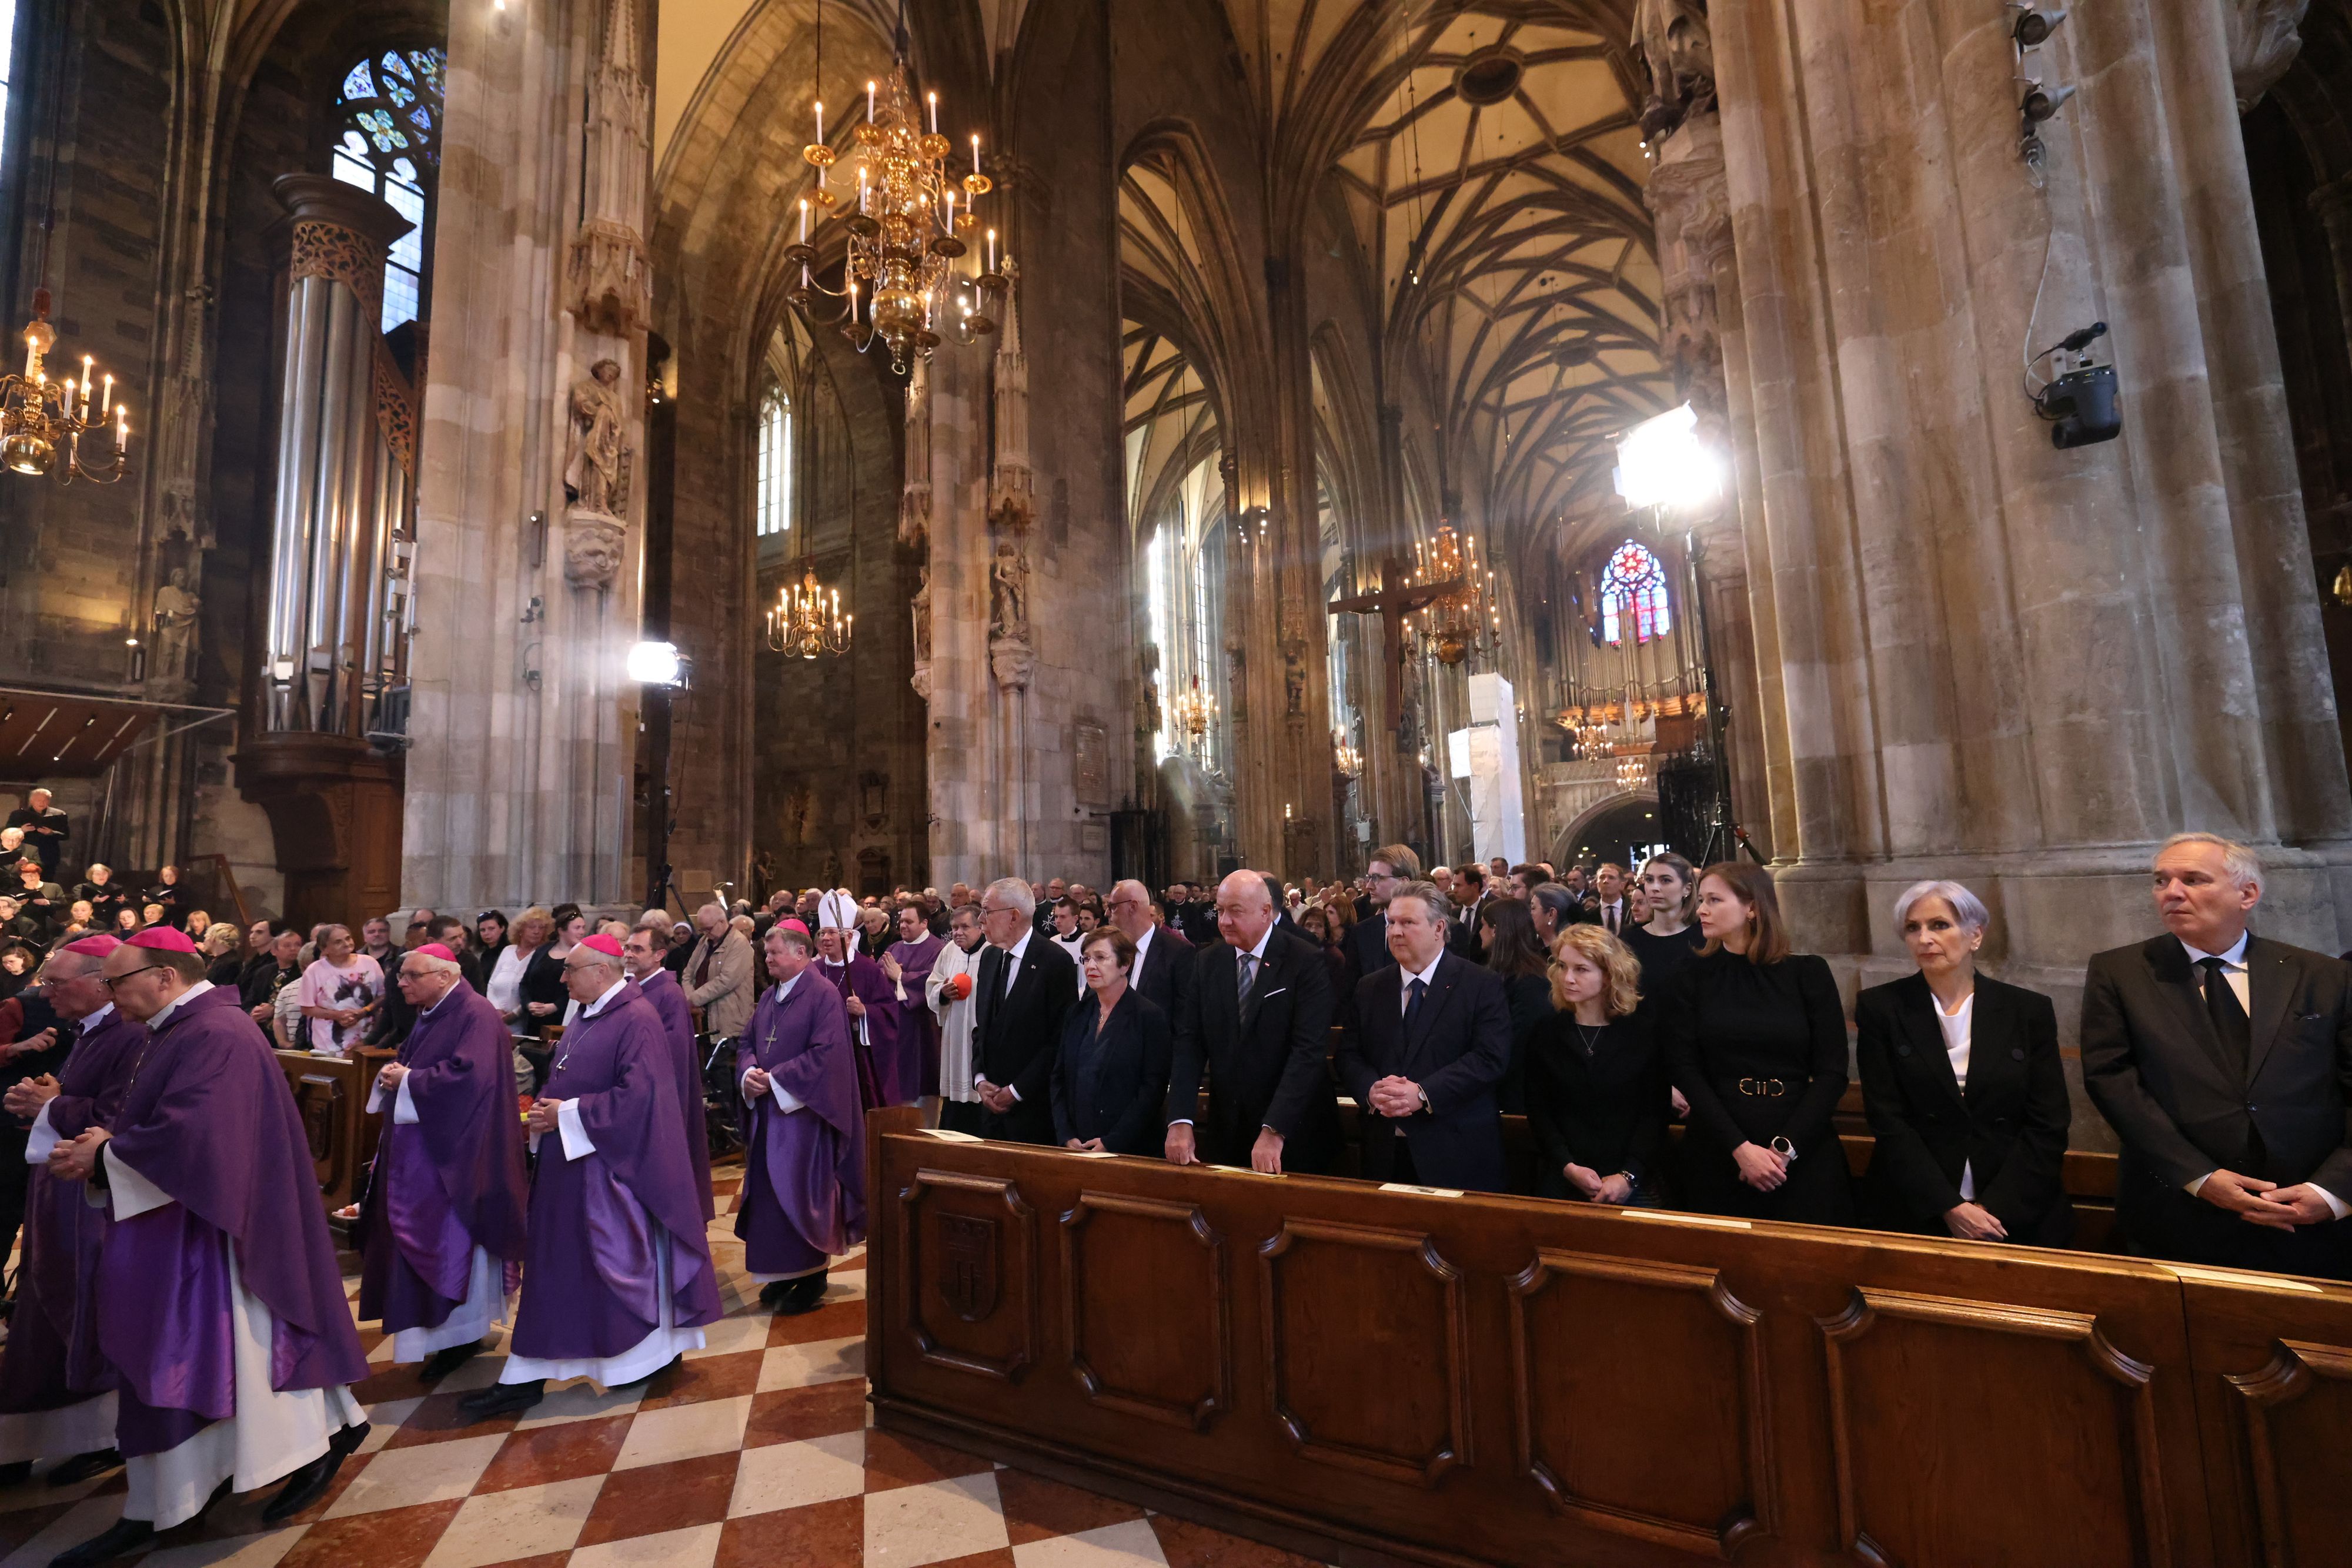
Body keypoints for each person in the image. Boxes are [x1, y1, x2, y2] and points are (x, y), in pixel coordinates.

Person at [59, 928, 369, 1560]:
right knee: (246, 1354)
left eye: (118, 982)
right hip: (192, 1218)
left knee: (241, 1348)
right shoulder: (180, 1029)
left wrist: (106, 1154)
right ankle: (201, 1483)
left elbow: (194, 1136)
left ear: (164, 977)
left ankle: (182, 1496)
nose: (112, 996)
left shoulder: (213, 1033)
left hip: (216, 1226)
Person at [461, 935, 721, 1417]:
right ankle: (533, 1370)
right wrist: (548, 1112)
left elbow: (640, 1098)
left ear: (601, 971)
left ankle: (610, 1361)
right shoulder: (587, 1013)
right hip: (572, 1165)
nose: (562, 977)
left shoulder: (637, 1018)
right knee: (563, 1266)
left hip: (610, 1173)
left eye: (571, 970)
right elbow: (568, 1073)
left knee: (604, 1265)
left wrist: (567, 1113)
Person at [2080, 833, 2352, 1276]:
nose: (2171, 892)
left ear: (2247, 893)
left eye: (2193, 879)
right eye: (2161, 881)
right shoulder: (2121, 973)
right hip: (2180, 1214)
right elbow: (2113, 1082)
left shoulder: (2323, 975)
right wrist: (2200, 1177)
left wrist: (2333, 1191)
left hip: (2308, 1219)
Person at [1856, 881, 2072, 1246]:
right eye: (1913, 928)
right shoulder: (1882, 1008)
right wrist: (1949, 1206)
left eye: (1940, 925)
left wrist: (1994, 1208)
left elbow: (2048, 1122)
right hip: (1917, 1206)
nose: (1924, 938)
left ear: (1976, 935)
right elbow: (1887, 1119)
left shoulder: (2027, 1010)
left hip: (2015, 1206)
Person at [0, 936, 139, 1489]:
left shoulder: (129, 1033)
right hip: (60, 1192)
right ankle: (40, 1437)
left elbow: (120, 1119)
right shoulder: (93, 1032)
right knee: (42, 1313)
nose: (45, 990)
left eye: (57, 981)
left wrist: (52, 1105)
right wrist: (42, 1101)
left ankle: (103, 1436)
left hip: (92, 1202)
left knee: (81, 1309)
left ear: (100, 980)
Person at [358, 946, 531, 1383]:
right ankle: (443, 1335)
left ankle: (461, 1333)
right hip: (425, 1153)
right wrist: (398, 1074)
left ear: (441, 975)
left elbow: (470, 1080)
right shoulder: (435, 1010)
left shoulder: (476, 1014)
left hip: (457, 1160)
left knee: (452, 1241)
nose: (401, 982)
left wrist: (409, 1079)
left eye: (410, 974)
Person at [1661, 862, 1855, 1225]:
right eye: (1701, 899)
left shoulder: (1807, 973)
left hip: (1799, 1141)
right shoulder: (1692, 975)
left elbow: (1831, 1072)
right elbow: (1684, 1067)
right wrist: (1740, 1149)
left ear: (1752, 907)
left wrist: (1785, 1149)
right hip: (1719, 1141)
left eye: (1714, 900)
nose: (1701, 909)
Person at [1338, 879, 1514, 1191]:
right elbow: (1350, 1054)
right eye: (1391, 923)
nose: (1395, 932)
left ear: (1438, 929)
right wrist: (1371, 1091)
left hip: (1455, 1149)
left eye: (1408, 923)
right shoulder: (1370, 987)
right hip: (1386, 1150)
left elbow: (1489, 1058)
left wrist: (1423, 1093)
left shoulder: (1479, 984)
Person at [1165, 871, 1340, 1175]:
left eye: (1235, 911)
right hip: (1229, 1126)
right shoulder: (1208, 961)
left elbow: (1308, 1051)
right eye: (1220, 911)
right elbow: (1189, 1042)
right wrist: (1180, 1119)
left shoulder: (1305, 959)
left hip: (1293, 1131)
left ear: (1266, 912)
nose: (1224, 921)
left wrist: (1275, 1130)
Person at [734, 921, 867, 1315]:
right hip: (769, 1115)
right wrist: (748, 1073)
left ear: (801, 953)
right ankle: (783, 1273)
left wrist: (774, 1081)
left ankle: (812, 1277)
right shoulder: (769, 995)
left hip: (805, 1117)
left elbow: (828, 1055)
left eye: (775, 953)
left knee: (802, 1195)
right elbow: (747, 1041)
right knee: (770, 1197)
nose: (768, 959)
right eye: (768, 953)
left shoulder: (823, 995)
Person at [1523, 924, 1671, 1204]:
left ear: (1608, 976)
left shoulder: (1643, 1033)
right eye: (1563, 967)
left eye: (1581, 969)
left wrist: (1628, 1175)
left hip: (1632, 1177)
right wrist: (1568, 1167)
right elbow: (1539, 1111)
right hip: (1564, 1174)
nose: (1568, 978)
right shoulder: (1546, 1032)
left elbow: (1654, 1113)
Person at [972, 878, 1080, 1145]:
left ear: (1014, 917)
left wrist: (1017, 1091)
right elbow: (982, 1029)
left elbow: (1059, 1040)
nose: (980, 920)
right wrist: (980, 1079)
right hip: (990, 1111)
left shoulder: (1055, 962)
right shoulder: (989, 957)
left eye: (987, 911)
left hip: (1034, 1113)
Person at [1053, 928, 1173, 1156]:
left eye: (1100, 958)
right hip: (1077, 1144)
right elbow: (1059, 1077)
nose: (1090, 966)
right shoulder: (1077, 1013)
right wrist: (1066, 1134)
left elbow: (1152, 1089)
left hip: (1129, 1148)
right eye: (1086, 958)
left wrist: (1113, 1141)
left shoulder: (1149, 1016)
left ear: (1125, 964)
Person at [624, 922, 714, 1221]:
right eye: (627, 948)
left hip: (660, 1097)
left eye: (638, 949)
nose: (629, 954)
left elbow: (671, 1053)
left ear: (660, 954)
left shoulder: (669, 993)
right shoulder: (633, 988)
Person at [813, 897, 900, 1106]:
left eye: (832, 933)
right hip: (819, 1053)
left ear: (849, 936)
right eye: (823, 933)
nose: (825, 938)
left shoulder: (868, 969)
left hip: (855, 1053)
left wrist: (864, 1012)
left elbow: (890, 1011)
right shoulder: (813, 971)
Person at [1477, 895, 1555, 1114]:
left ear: (1495, 930)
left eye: (1483, 926)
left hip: (1519, 1096)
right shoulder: (1499, 974)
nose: (1479, 933)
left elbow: (1520, 1043)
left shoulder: (1530, 982)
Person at [926, 904, 988, 1134]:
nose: (958, 932)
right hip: (955, 1030)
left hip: (980, 1030)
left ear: (980, 927)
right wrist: (942, 993)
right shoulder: (949, 950)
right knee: (955, 1101)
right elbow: (933, 983)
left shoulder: (992, 950)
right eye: (954, 927)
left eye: (964, 927)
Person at [884, 903, 945, 1103]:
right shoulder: (894, 947)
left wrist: (900, 977)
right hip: (896, 1026)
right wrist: (890, 977)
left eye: (909, 922)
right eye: (901, 921)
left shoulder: (938, 949)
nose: (902, 926)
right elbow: (879, 977)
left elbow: (932, 981)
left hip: (923, 1027)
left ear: (924, 923)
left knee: (922, 1084)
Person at [1625, 851, 1707, 998]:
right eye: (1649, 880)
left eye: (1666, 880)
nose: (1654, 888)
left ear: (1687, 889)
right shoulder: (1629, 940)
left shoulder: (1705, 937)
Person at [683, 901, 756, 1063]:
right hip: (701, 1016)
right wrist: (690, 999)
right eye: (702, 929)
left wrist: (693, 999)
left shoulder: (739, 943)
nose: (705, 933)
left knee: (719, 1069)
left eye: (708, 929)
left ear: (722, 922)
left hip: (727, 1019)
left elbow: (726, 981)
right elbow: (688, 973)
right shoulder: (704, 942)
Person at [297, 924, 383, 1055]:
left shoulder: (369, 962)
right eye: (338, 942)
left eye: (348, 938)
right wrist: (338, 1015)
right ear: (324, 949)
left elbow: (383, 995)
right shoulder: (314, 970)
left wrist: (365, 1011)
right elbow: (306, 1007)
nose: (346, 943)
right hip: (328, 1039)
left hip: (367, 1034)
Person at [1345, 844, 1421, 978]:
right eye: (1369, 878)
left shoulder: (1437, 928)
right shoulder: (1362, 932)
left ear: (1403, 882)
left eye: (1377, 878)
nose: (1369, 886)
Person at [489, 907, 549, 1035]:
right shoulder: (508, 950)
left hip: (522, 1024)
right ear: (521, 929)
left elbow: (536, 992)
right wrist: (496, 1010)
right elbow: (492, 984)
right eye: (532, 927)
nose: (537, 931)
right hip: (495, 1020)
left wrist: (516, 1014)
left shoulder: (543, 954)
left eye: (541, 928)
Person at [241, 925, 304, 1029]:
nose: (293, 949)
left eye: (298, 945)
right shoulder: (264, 972)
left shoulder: (304, 972)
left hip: (291, 1026)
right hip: (261, 1026)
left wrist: (274, 1010)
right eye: (287, 946)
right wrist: (254, 1011)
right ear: (274, 951)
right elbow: (249, 1001)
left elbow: (301, 1004)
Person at [5, 789, 67, 875]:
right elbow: (6, 833)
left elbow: (66, 835)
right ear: (31, 801)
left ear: (49, 801)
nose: (42, 803)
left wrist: (52, 833)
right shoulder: (18, 815)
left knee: (47, 880)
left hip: (48, 855)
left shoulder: (59, 814)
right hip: (25, 854)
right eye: (39, 800)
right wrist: (21, 830)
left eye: (45, 800)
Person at [73, 866, 126, 932]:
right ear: (91, 875)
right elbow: (78, 903)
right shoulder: (80, 888)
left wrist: (122, 901)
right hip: (92, 921)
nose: (102, 876)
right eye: (98, 874)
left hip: (112, 920)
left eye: (104, 874)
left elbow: (125, 906)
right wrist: (93, 900)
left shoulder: (116, 887)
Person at [1587, 862, 1633, 935]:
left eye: (1611, 878)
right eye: (1602, 877)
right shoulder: (1589, 915)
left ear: (1622, 885)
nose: (1606, 881)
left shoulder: (1632, 910)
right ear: (1596, 883)